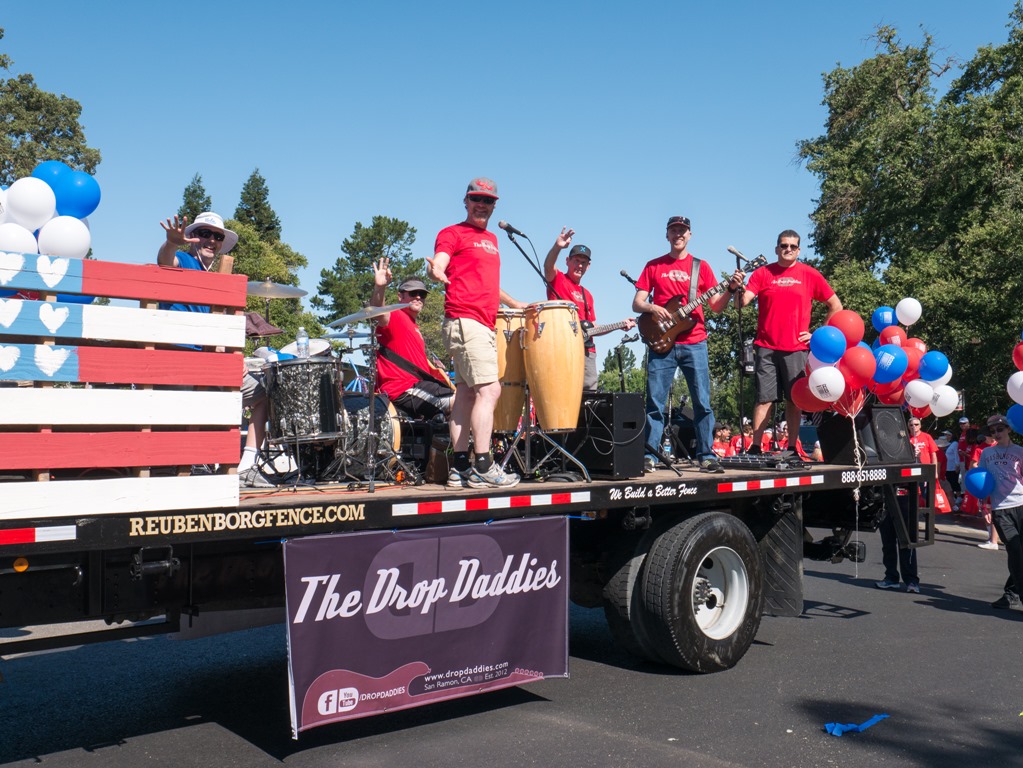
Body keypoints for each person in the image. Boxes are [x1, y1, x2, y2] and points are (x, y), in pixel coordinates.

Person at [158, 212, 271, 488]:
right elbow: (165, 260)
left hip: (212, 363)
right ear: (193, 238)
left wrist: (234, 356)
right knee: (199, 406)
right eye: (205, 234)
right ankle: (195, 463)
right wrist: (171, 243)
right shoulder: (184, 260)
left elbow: (224, 328)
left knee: (263, 392)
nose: (211, 240)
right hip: (179, 360)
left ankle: (247, 465)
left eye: (217, 237)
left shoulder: (222, 276)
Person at [427, 177, 526, 489]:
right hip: (465, 319)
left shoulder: (493, 240)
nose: (482, 205)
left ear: (494, 205)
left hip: (481, 322)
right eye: (476, 199)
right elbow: (440, 259)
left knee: (467, 395)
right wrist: (437, 270)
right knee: (490, 391)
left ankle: (458, 468)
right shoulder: (452, 233)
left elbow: (487, 283)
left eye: (488, 201)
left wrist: (516, 304)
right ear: (466, 202)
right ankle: (483, 464)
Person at [632, 216, 744, 474]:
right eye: (673, 230)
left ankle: (705, 455)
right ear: (667, 235)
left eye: (682, 230)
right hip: (662, 341)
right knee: (655, 403)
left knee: (702, 402)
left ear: (690, 235)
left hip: (695, 341)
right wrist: (654, 308)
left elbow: (715, 306)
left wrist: (730, 289)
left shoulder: (701, 267)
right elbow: (637, 303)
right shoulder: (653, 265)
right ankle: (651, 455)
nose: (678, 234)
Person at [734, 230, 842, 453]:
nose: (788, 249)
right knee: (764, 399)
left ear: (799, 250)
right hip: (766, 347)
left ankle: (792, 448)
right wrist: (737, 287)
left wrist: (818, 334)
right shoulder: (763, 273)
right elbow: (740, 303)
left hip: (796, 348)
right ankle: (755, 446)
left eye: (793, 246)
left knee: (795, 400)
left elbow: (836, 305)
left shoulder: (809, 274)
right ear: (776, 248)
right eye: (784, 246)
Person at [543, 229, 636, 390]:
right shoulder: (558, 280)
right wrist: (557, 247)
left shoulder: (588, 295)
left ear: (588, 266)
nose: (580, 265)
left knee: (589, 397)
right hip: (563, 347)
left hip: (587, 352)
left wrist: (620, 325)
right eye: (576, 260)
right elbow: (548, 266)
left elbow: (593, 328)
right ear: (567, 261)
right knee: (562, 391)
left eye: (583, 262)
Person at [370, 259, 454, 421]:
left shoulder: (414, 327)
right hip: (401, 387)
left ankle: (448, 446)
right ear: (400, 296)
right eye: (412, 293)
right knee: (458, 402)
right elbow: (378, 311)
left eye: (422, 294)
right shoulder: (394, 315)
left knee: (465, 401)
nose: (418, 297)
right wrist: (380, 287)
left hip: (419, 386)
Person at [977, 414, 1023, 610]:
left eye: (1000, 429)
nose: (996, 433)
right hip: (1000, 510)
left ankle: (1011, 594)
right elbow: (981, 481)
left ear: (1008, 430)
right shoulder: (986, 454)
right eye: (993, 431)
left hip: (1021, 505)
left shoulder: (1020, 452)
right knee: (1015, 552)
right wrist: (983, 505)